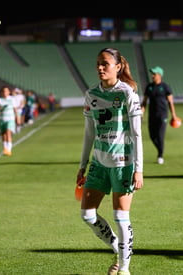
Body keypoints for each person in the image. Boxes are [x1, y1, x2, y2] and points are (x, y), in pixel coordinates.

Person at [76, 47, 144, 275]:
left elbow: (136, 134)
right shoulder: (91, 94)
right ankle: (118, 247)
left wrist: (139, 169)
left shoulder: (127, 94)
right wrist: (82, 165)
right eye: (98, 63)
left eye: (105, 63)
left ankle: (124, 268)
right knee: (87, 214)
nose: (100, 67)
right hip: (98, 163)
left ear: (118, 66)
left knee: (120, 216)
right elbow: (88, 133)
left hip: (123, 164)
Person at [141, 66, 178, 165]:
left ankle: (160, 155)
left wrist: (174, 115)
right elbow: (144, 102)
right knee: (152, 136)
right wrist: (141, 113)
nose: (152, 76)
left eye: (154, 74)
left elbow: (170, 102)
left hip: (163, 115)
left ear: (160, 75)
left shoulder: (165, 87)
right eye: (152, 74)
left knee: (160, 136)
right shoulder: (149, 87)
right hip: (152, 115)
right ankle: (159, 150)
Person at [0, 85, 17, 156]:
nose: (5, 93)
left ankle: (9, 150)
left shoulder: (12, 99)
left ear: (9, 92)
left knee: (8, 133)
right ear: (1, 92)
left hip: (10, 119)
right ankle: (5, 148)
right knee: (3, 134)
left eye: (6, 91)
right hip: (2, 119)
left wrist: (17, 117)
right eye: (3, 91)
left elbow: (15, 109)